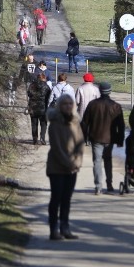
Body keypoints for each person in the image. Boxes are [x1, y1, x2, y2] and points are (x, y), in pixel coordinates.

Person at [46, 94, 85, 240]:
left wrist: (77, 162)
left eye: (71, 103)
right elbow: (56, 148)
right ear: (59, 106)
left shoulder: (76, 122)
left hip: (72, 168)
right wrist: (69, 163)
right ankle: (53, 229)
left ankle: (65, 227)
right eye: (65, 104)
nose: (68, 106)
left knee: (67, 199)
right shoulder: (55, 123)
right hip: (57, 167)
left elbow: (80, 144)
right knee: (56, 198)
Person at [81, 81, 125, 194]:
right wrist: (120, 140)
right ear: (110, 91)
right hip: (110, 138)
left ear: (99, 91)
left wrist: (84, 137)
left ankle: (98, 186)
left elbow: (85, 123)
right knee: (108, 161)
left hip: (96, 136)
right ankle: (109, 184)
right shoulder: (116, 106)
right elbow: (121, 125)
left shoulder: (92, 105)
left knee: (97, 161)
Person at [26, 73, 51, 145]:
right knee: (43, 124)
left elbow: (29, 94)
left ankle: (35, 139)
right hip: (43, 107)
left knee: (34, 124)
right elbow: (48, 96)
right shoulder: (46, 86)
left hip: (33, 107)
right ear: (44, 78)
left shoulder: (32, 85)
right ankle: (42, 138)